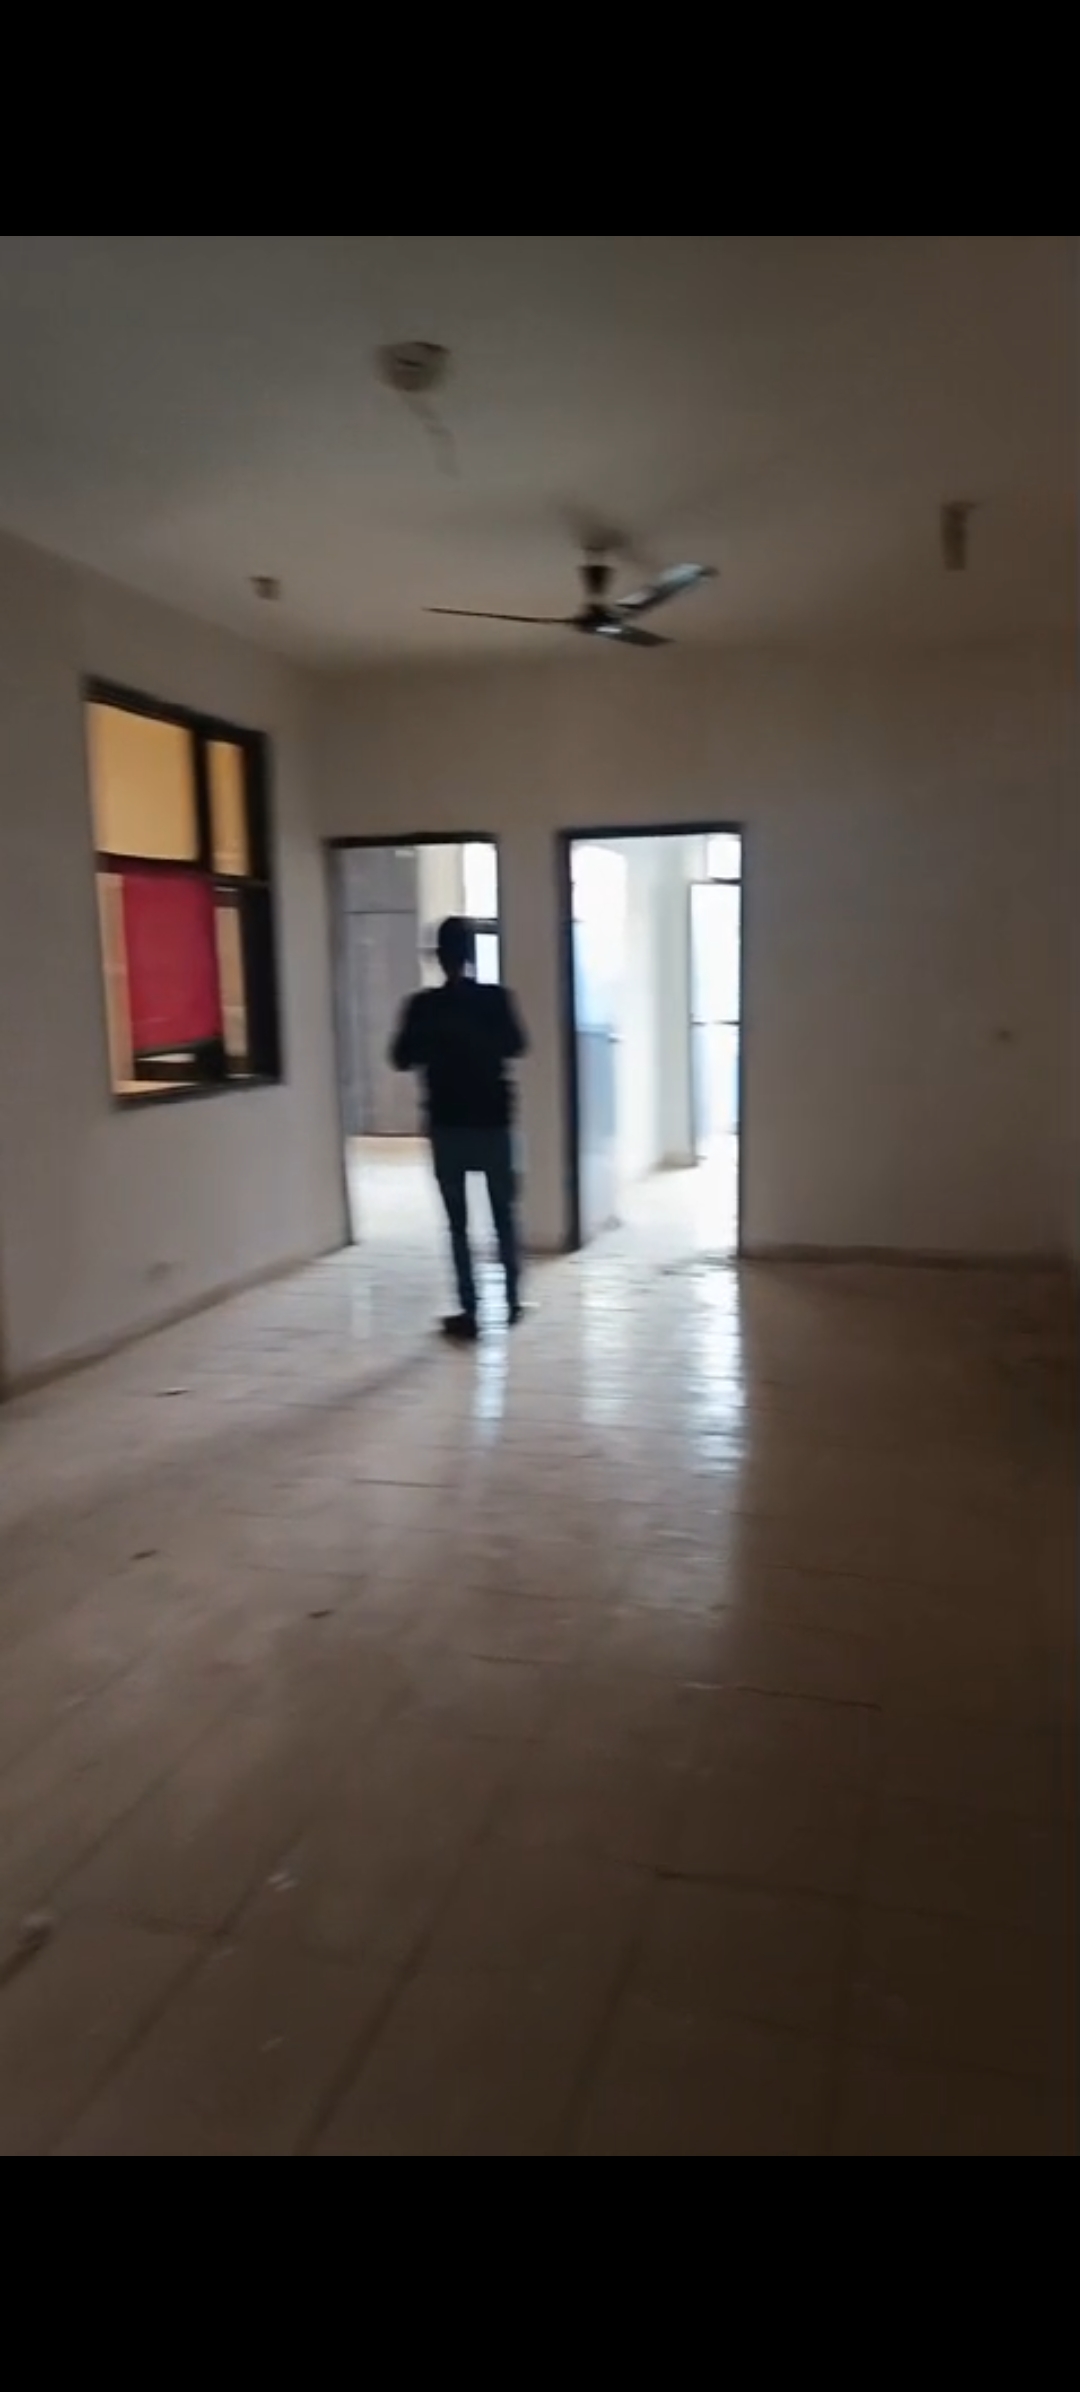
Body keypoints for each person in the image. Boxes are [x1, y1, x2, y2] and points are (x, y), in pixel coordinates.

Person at [390, 916, 528, 1342]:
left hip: (447, 1125)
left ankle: (469, 1309)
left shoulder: (422, 1007)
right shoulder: (495, 1000)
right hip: (492, 1124)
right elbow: (517, 1045)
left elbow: (399, 1057)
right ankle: (511, 1302)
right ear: (470, 954)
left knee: (458, 1225)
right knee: (503, 1217)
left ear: (437, 957)